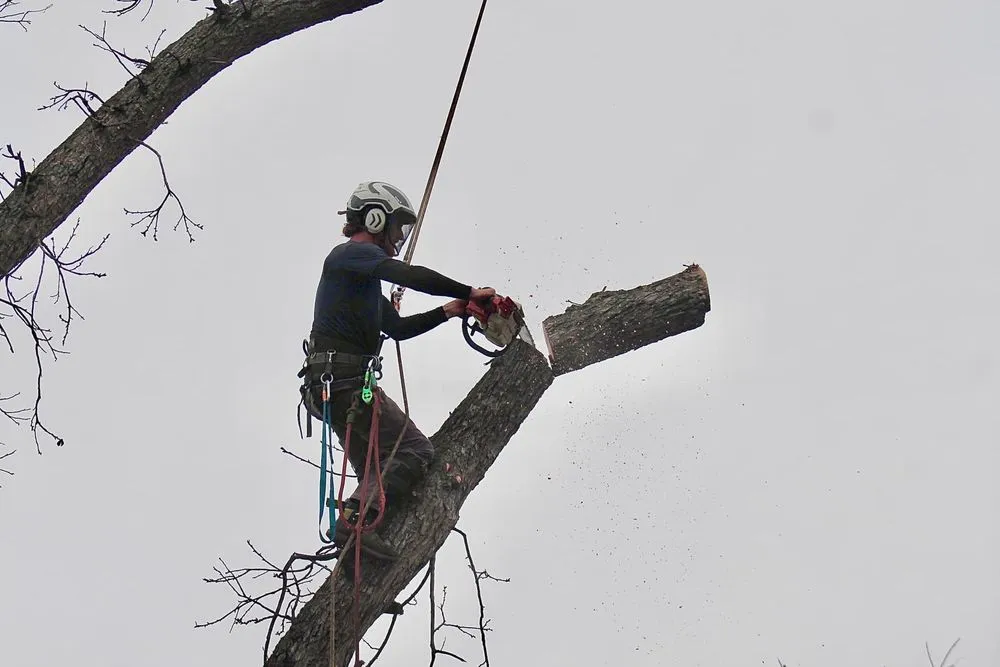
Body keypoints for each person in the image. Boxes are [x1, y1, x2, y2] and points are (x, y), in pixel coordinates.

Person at [299, 180, 495, 561]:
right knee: (413, 451)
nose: (399, 237)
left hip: (334, 386)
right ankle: (352, 525)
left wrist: (450, 310)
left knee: (376, 475)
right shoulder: (348, 256)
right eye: (397, 227)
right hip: (341, 383)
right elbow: (410, 276)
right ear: (375, 218)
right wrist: (470, 291)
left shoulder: (363, 284)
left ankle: (358, 563)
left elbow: (399, 329)